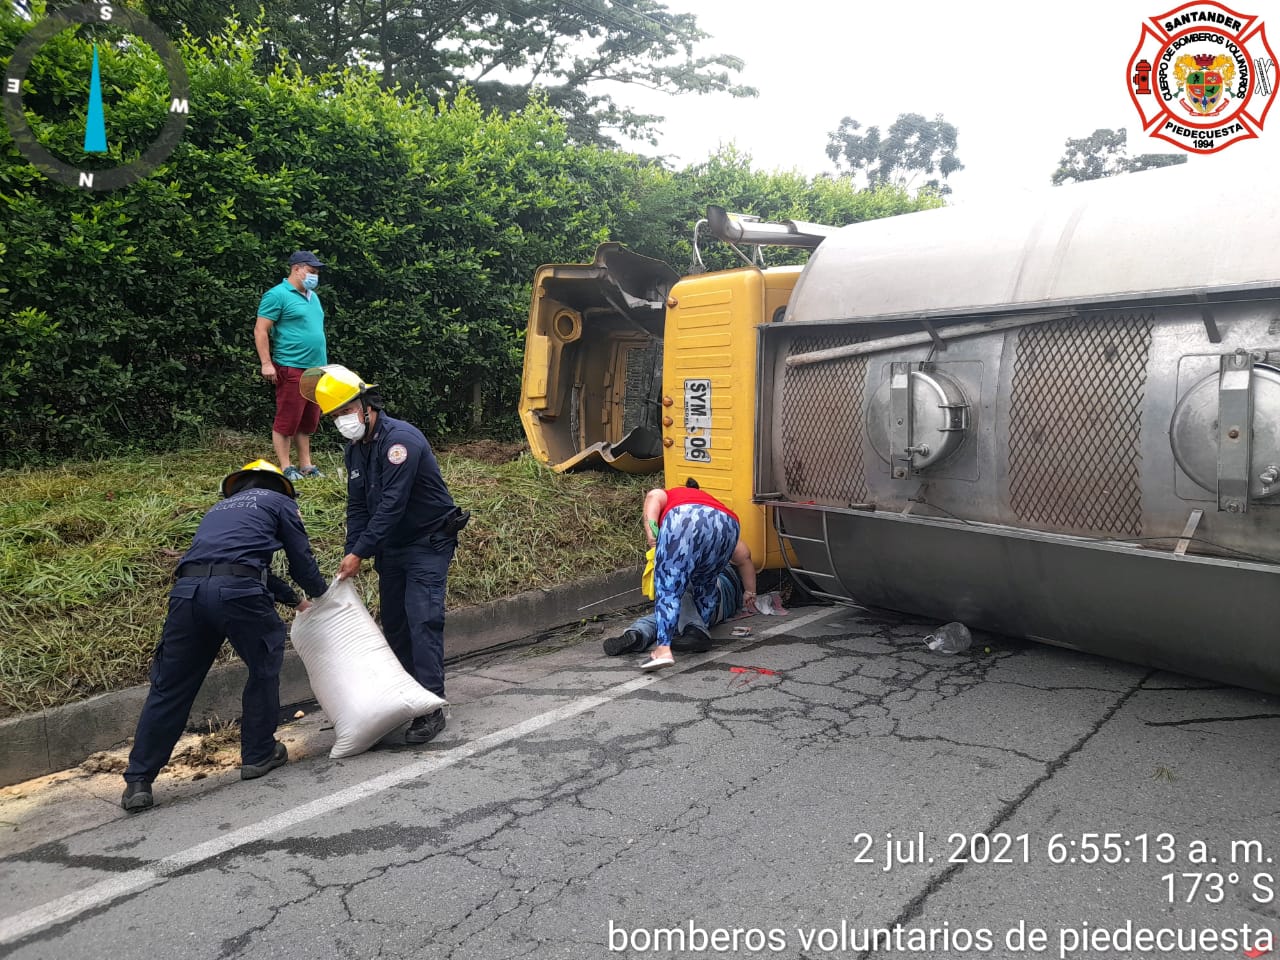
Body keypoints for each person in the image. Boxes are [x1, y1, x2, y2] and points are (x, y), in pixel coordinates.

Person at [121, 461, 329, 813]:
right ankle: (258, 754)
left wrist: (295, 599)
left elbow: (228, 564)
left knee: (171, 686)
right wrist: (325, 597)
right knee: (262, 667)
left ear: (239, 486)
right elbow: (299, 561)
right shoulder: (280, 503)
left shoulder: (218, 510)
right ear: (279, 485)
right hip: (239, 597)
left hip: (188, 595)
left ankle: (139, 780)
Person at [300, 364, 468, 744]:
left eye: (346, 411)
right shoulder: (355, 451)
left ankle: (430, 708)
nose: (343, 420)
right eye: (335, 416)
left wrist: (360, 552)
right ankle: (406, 701)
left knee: (421, 618)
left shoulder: (401, 442)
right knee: (393, 624)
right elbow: (357, 507)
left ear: (368, 405)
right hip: (392, 546)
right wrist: (351, 551)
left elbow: (392, 504)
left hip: (428, 542)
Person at [639, 478, 757, 671]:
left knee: (669, 586)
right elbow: (744, 556)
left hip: (683, 518)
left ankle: (663, 649)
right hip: (728, 524)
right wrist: (750, 591)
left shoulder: (672, 494)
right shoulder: (710, 501)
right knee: (706, 582)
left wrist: (651, 529)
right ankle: (698, 629)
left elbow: (654, 495)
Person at [254, 250, 329, 482]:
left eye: (316, 273)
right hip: (291, 366)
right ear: (297, 269)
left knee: (307, 420)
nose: (315, 276)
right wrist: (266, 363)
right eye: (312, 271)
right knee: (287, 419)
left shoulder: (312, 296)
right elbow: (261, 330)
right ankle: (287, 466)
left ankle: (306, 465)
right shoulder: (277, 295)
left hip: (316, 370)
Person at [604, 564, 745, 657]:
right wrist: (751, 593)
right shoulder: (725, 539)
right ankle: (638, 634)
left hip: (713, 600)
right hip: (712, 609)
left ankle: (639, 632)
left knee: (677, 588)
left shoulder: (718, 543)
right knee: (670, 615)